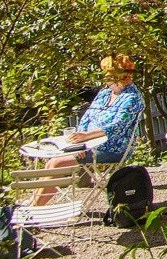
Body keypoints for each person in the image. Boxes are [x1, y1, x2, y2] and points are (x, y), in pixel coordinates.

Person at [36, 54, 145, 203]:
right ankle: (32, 206)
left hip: (112, 148)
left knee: (57, 164)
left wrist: (86, 137)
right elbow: (87, 116)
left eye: (108, 76)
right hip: (87, 144)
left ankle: (35, 210)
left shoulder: (132, 97)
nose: (105, 80)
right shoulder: (105, 93)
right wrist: (79, 142)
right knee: (51, 163)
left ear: (120, 77)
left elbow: (117, 127)